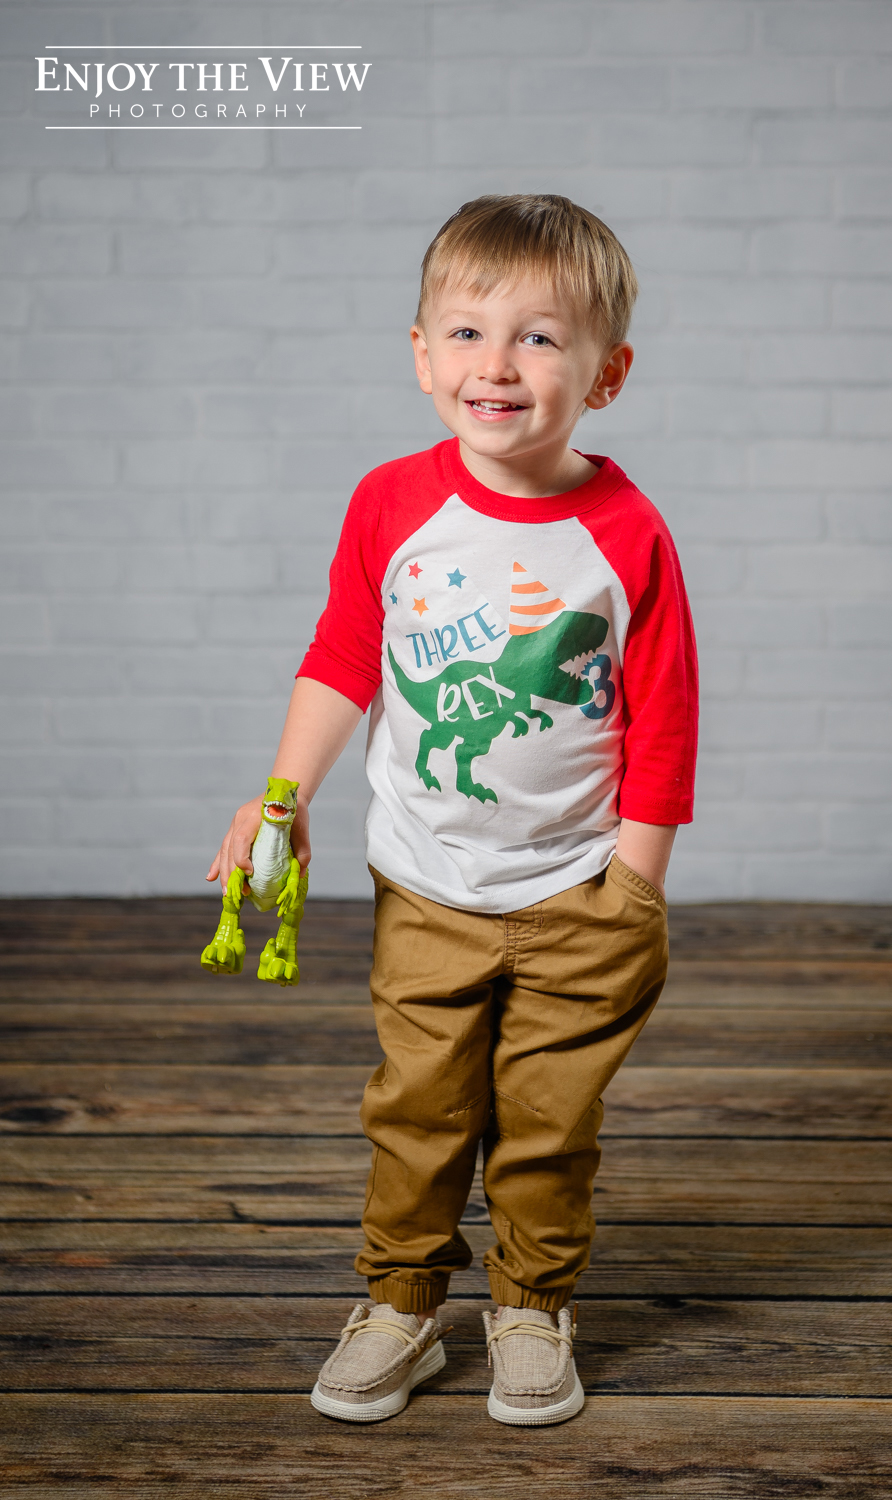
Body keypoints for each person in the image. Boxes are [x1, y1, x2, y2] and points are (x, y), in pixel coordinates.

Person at [207, 193, 698, 1427]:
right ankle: (402, 1303)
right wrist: (283, 797)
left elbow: (664, 717)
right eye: (469, 333)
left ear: (606, 373)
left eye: (540, 337)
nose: (498, 365)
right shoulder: (391, 503)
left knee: (546, 1123)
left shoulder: (627, 533)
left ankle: (530, 1306)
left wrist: (633, 888)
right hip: (427, 885)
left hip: (580, 894)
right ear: (422, 355)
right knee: (418, 1110)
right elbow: (343, 656)